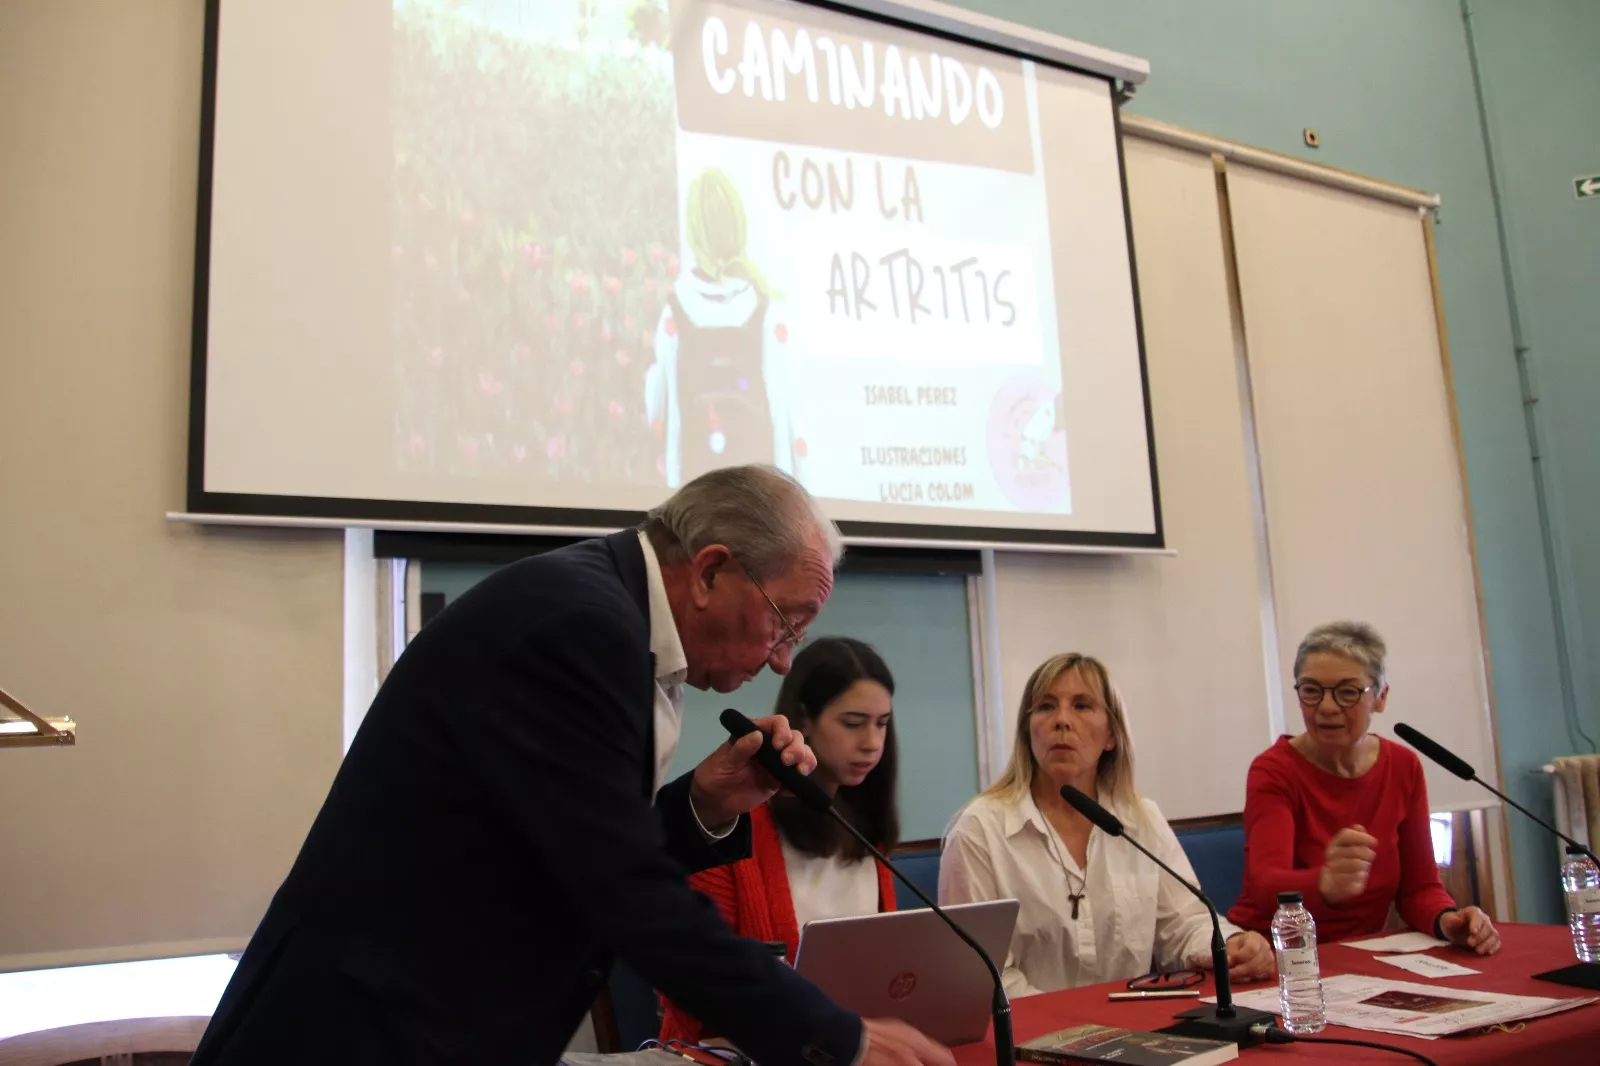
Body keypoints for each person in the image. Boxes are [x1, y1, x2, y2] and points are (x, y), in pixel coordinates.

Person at [188, 465, 952, 1066]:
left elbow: (561, 850)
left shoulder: (608, 617)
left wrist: (706, 804)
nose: (785, 654)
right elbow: (621, 889)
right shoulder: (580, 628)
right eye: (786, 621)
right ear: (713, 569)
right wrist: (837, 1039)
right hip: (365, 1032)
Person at [939, 653, 1275, 997]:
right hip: (1029, 1037)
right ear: (1028, 730)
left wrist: (1232, 944)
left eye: (1082, 706)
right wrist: (1077, 1026)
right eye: (1045, 706)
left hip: (1134, 1030)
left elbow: (1183, 923)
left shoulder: (1139, 819)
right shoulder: (979, 830)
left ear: (1112, 735)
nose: (1062, 720)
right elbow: (984, 974)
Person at [660, 637, 902, 1044]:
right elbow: (693, 993)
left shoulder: (867, 830)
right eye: (854, 722)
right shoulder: (728, 830)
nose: (872, 743)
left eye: (882, 723)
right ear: (803, 719)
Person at [1228, 621, 1500, 954]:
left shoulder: (1403, 766)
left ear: (1381, 697)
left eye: (1347, 692)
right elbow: (1264, 886)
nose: (1327, 707)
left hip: (1362, 956)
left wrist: (1446, 920)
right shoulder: (1274, 770)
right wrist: (1324, 883)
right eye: (1312, 690)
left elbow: (1419, 889)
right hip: (1272, 955)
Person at [644, 167, 799, 487]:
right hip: (760, 505)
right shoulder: (766, 309)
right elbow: (783, 418)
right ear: (738, 225)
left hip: (695, 503)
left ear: (694, 230)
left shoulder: (674, 311)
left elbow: (664, 416)